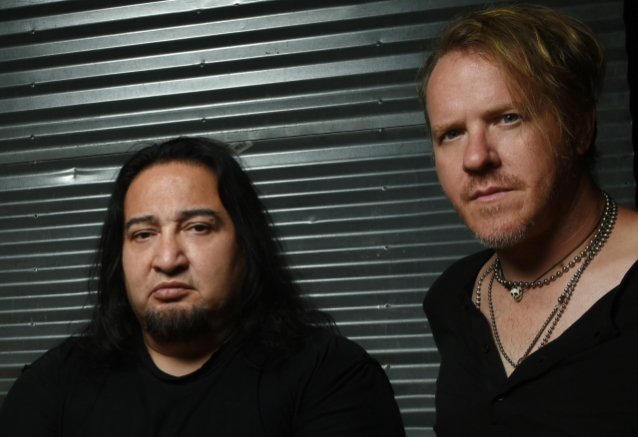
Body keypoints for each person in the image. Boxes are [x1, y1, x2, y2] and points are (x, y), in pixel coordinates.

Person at [0, 137, 405, 436]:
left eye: (197, 227)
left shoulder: (330, 376)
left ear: (245, 245)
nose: (167, 259)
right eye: (143, 234)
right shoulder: (53, 386)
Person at [419, 4, 638, 436]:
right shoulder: (454, 298)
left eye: (508, 118)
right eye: (452, 133)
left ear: (580, 127)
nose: (475, 157)